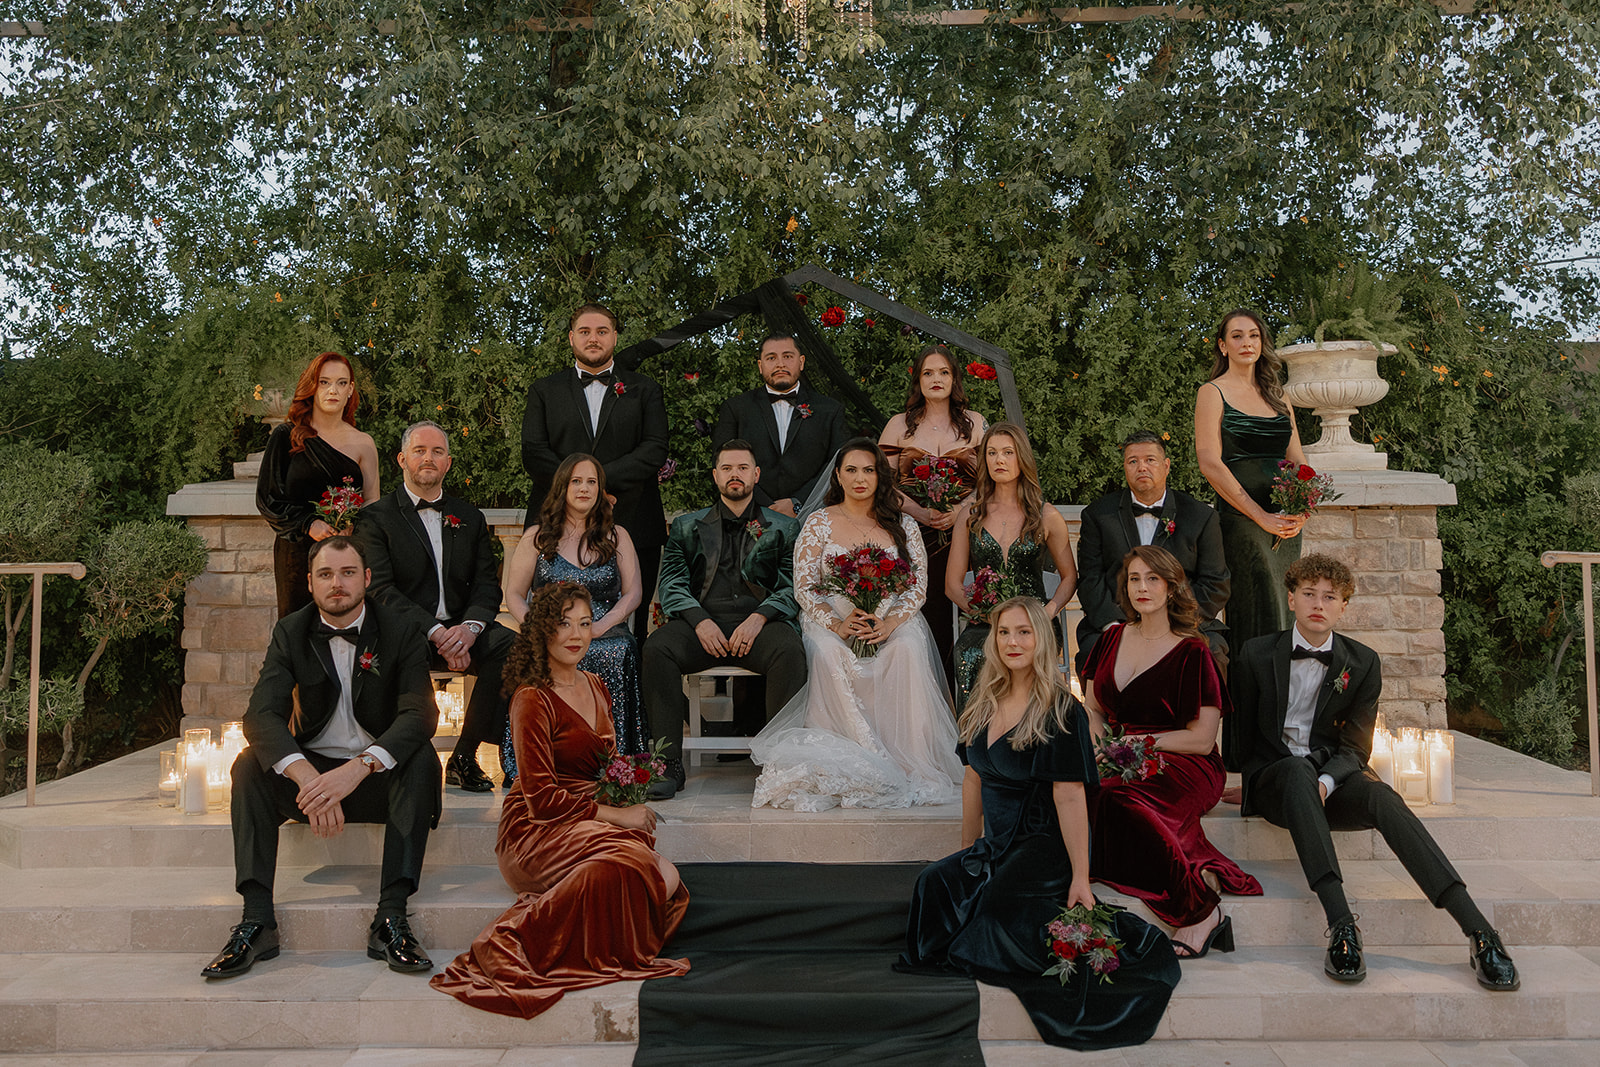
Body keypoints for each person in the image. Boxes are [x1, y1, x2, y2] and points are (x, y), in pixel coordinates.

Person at [898, 597, 1179, 1051]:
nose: (1013, 642)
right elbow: (973, 780)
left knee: (994, 914)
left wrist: (1082, 878)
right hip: (997, 843)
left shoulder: (1061, 709)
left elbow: (1069, 798)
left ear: (1041, 639)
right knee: (934, 884)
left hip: (1042, 845)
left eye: (1024, 632)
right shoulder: (981, 699)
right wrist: (967, 852)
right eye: (1005, 632)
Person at [1228, 554, 1520, 989]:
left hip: (1329, 782)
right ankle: (1342, 925)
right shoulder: (1253, 654)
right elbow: (1238, 742)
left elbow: (1354, 750)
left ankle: (1479, 931)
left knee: (1382, 796)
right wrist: (1242, 783)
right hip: (1278, 783)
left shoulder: (1362, 662)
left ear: (1344, 607)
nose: (1318, 604)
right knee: (1294, 771)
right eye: (1309, 594)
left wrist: (1326, 782)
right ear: (1291, 598)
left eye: (1330, 597)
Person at [430, 582, 690, 1018]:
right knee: (642, 870)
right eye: (563, 623)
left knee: (665, 880)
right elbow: (542, 798)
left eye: (585, 624)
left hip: (588, 816)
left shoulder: (595, 684)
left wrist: (624, 786)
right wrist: (617, 815)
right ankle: (517, 938)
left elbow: (606, 765)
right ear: (542, 632)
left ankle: (586, 910)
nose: (576, 634)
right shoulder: (532, 698)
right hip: (536, 828)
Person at [203, 536, 438, 979]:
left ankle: (391, 919)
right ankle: (257, 921)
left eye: (348, 573)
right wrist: (308, 778)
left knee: (422, 759)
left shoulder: (401, 629)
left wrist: (357, 769)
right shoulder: (291, 631)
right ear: (310, 583)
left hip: (373, 779)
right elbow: (261, 714)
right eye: (326, 575)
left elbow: (420, 713)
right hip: (310, 783)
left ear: (367, 579)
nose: (337, 584)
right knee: (248, 765)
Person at [749, 438, 961, 810]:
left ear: (881, 476)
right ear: (838, 476)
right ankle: (854, 756)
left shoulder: (904, 524)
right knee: (829, 654)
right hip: (831, 617)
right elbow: (805, 586)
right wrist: (837, 622)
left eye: (869, 470)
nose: (860, 478)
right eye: (851, 470)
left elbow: (917, 587)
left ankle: (906, 758)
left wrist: (889, 623)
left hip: (890, 616)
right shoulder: (818, 522)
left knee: (910, 648)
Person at [1081, 545, 1262, 958]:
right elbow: (1091, 707)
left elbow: (1202, 738)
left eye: (1152, 579)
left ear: (1171, 586)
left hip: (1186, 761)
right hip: (1121, 755)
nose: (1142, 587)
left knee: (1119, 798)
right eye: (1134, 579)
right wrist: (1101, 744)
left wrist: (1142, 743)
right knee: (1082, 791)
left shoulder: (1193, 650)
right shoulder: (1110, 638)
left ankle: (1199, 913)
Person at [355, 421, 516, 794]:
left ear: (448, 463)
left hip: (461, 630)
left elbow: (487, 586)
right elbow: (380, 589)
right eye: (420, 451)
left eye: (437, 452)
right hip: (405, 634)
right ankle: (408, 759)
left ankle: (465, 755)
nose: (428, 458)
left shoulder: (469, 517)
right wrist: (437, 632)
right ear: (402, 460)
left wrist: (468, 631)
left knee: (515, 648)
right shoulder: (376, 519)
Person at [641, 440, 807, 799]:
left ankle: (779, 764)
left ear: (756, 475)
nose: (735, 475)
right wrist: (699, 621)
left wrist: (759, 618)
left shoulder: (783, 528)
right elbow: (671, 583)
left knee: (790, 651)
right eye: (728, 468)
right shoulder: (686, 526)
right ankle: (667, 763)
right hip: (701, 627)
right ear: (716, 476)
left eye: (743, 468)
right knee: (657, 648)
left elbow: (794, 586)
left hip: (759, 629)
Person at [521, 303, 669, 638]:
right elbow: (533, 452)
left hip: (632, 515)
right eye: (585, 332)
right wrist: (581, 487)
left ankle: (632, 688)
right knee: (553, 614)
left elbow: (654, 448)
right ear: (572, 337)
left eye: (602, 331)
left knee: (637, 619)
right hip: (556, 521)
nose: (593, 339)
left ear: (615, 337)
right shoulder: (544, 390)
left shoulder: (645, 389)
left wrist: (597, 483)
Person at [501, 453, 647, 778]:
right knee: (538, 655)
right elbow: (513, 594)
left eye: (591, 482)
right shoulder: (537, 538)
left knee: (619, 651)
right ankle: (542, 761)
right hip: (552, 632)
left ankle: (613, 761)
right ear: (562, 488)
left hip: (603, 629)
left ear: (600, 490)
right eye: (576, 481)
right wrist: (539, 628)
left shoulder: (617, 536)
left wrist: (601, 625)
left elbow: (634, 592)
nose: (584, 488)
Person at [1195, 308, 1307, 653]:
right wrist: (1259, 515)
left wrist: (1302, 510)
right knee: (1259, 605)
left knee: (1286, 605)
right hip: (1242, 518)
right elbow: (1209, 462)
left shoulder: (1278, 394)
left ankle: (1281, 695)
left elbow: (1298, 460)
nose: (1247, 342)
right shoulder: (1212, 392)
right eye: (1237, 336)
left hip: (1285, 522)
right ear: (1223, 346)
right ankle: (1251, 702)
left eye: (1254, 335)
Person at [1077, 430, 1230, 676]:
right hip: (1118, 621)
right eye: (1133, 461)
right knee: (1094, 652)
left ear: (1166, 466)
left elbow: (1216, 584)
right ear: (1125, 467)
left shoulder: (1200, 517)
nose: (1142, 467)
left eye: (1150, 460)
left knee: (1210, 655)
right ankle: (1102, 716)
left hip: (1184, 622)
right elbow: (1090, 580)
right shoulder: (1097, 515)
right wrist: (1117, 626)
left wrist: (1174, 624)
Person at [946, 422, 1076, 712]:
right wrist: (982, 613)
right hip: (986, 623)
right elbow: (952, 585)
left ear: (1022, 459)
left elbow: (1069, 577)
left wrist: (1048, 612)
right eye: (991, 453)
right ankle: (975, 746)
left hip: (1035, 623)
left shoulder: (1046, 515)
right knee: (970, 652)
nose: (999, 460)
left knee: (1026, 650)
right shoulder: (971, 515)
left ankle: (1031, 738)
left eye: (1008, 452)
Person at [880, 344, 988, 686]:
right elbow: (880, 484)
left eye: (943, 372)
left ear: (954, 379)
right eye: (928, 372)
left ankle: (971, 691)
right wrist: (918, 512)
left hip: (967, 530)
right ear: (918, 380)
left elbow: (990, 480)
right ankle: (927, 694)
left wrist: (959, 510)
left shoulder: (975, 423)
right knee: (926, 613)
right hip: (913, 533)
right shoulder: (899, 426)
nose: (936, 379)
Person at [256, 351, 379, 618]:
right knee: (298, 631)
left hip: (346, 552)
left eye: (341, 383)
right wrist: (309, 524)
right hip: (296, 555)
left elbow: (372, 504)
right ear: (312, 386)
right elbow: (267, 499)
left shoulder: (364, 443)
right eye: (324, 382)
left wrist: (352, 526)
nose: (333, 390)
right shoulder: (286, 436)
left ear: (351, 389)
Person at [712, 333, 849, 518]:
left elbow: (839, 464)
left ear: (801, 362)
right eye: (771, 358)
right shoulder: (736, 408)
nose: (780, 364)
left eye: (787, 356)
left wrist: (798, 502)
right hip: (749, 514)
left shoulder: (830, 410)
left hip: (813, 514)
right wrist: (765, 505)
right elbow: (722, 462)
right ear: (760, 366)